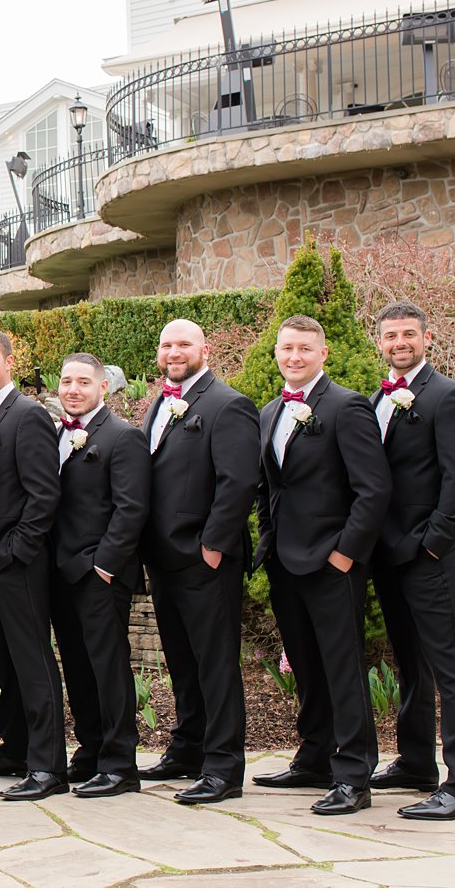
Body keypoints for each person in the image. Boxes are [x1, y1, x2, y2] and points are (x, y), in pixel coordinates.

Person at [254, 315, 390, 816]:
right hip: (285, 563)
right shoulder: (270, 411)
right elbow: (269, 486)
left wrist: (344, 555)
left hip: (333, 564)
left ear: (323, 353)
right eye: (287, 348)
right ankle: (314, 757)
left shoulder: (347, 406)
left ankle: (355, 774)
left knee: (342, 667)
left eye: (304, 349)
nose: (295, 357)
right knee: (306, 664)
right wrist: (267, 540)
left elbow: (373, 489)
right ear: (277, 353)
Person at [368, 302, 455, 821]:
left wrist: (435, 543)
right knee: (410, 663)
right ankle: (416, 762)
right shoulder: (378, 397)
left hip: (430, 553)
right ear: (380, 342)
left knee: (453, 668)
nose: (400, 342)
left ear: (427, 338)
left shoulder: (451, 396)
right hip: (388, 553)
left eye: (409, 334)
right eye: (391, 335)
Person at [137, 320, 259, 805]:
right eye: (166, 344)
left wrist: (213, 545)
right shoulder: (159, 404)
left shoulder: (228, 404)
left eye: (183, 343)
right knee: (182, 663)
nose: (174, 351)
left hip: (205, 560)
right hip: (163, 559)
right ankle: (188, 748)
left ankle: (223, 767)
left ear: (204, 349)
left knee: (216, 665)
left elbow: (239, 483)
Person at [0, 329, 65, 802]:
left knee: (32, 661)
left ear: (8, 361)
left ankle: (48, 766)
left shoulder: (28, 416)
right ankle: (16, 747)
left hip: (18, 562)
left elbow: (44, 496)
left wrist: (14, 551)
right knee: (3, 659)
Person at [50, 352, 150, 798]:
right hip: (61, 572)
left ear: (102, 387)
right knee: (77, 667)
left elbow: (131, 509)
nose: (73, 389)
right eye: (67, 382)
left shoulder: (122, 437)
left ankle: (120, 764)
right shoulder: (56, 434)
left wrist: (104, 566)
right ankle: (90, 751)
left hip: (100, 573)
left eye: (82, 383)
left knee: (108, 668)